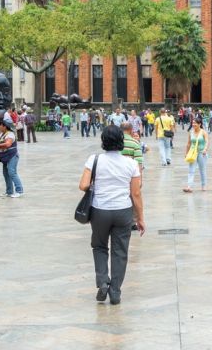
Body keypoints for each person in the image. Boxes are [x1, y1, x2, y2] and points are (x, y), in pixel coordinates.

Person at [78, 125, 144, 305]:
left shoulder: (94, 159)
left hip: (100, 210)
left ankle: (102, 283)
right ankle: (115, 291)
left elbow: (83, 185)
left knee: (99, 247)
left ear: (103, 141)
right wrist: (140, 218)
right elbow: (136, 194)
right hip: (123, 211)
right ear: (121, 142)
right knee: (120, 251)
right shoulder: (131, 164)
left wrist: (95, 185)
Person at [0, 120, 24, 197]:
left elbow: (7, 144)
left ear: (5, 126)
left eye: (1, 125)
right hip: (5, 157)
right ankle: (9, 191)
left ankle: (19, 191)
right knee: (6, 174)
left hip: (12, 156)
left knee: (12, 172)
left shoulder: (10, 134)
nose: (0, 126)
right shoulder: (3, 133)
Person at [184, 118, 209, 193]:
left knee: (202, 170)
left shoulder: (203, 132)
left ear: (199, 124)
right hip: (192, 153)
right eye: (193, 123)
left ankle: (203, 185)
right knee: (191, 170)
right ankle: (189, 186)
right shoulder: (191, 132)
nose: (193, 124)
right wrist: (186, 153)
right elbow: (188, 143)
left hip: (202, 153)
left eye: (195, 123)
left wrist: (205, 149)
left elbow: (207, 142)